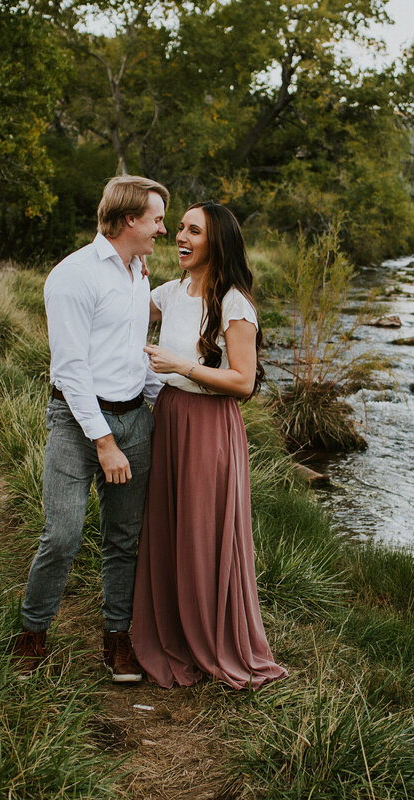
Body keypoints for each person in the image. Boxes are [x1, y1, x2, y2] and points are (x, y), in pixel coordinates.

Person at [13, 175, 168, 682]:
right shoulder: (74, 275)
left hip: (134, 420)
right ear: (129, 219)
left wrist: (163, 404)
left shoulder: (138, 273)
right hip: (77, 423)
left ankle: (117, 639)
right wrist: (103, 441)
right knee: (62, 534)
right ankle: (32, 633)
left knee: (125, 539)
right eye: (157, 219)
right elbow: (72, 368)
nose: (162, 230)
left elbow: (132, 353)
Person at [132, 202, 287, 690]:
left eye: (193, 230)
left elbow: (243, 382)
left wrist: (181, 365)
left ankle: (213, 638)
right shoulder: (170, 292)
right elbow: (121, 309)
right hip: (169, 418)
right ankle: (171, 630)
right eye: (179, 227)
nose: (180, 236)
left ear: (216, 242)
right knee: (170, 525)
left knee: (202, 530)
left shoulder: (235, 304)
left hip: (209, 426)